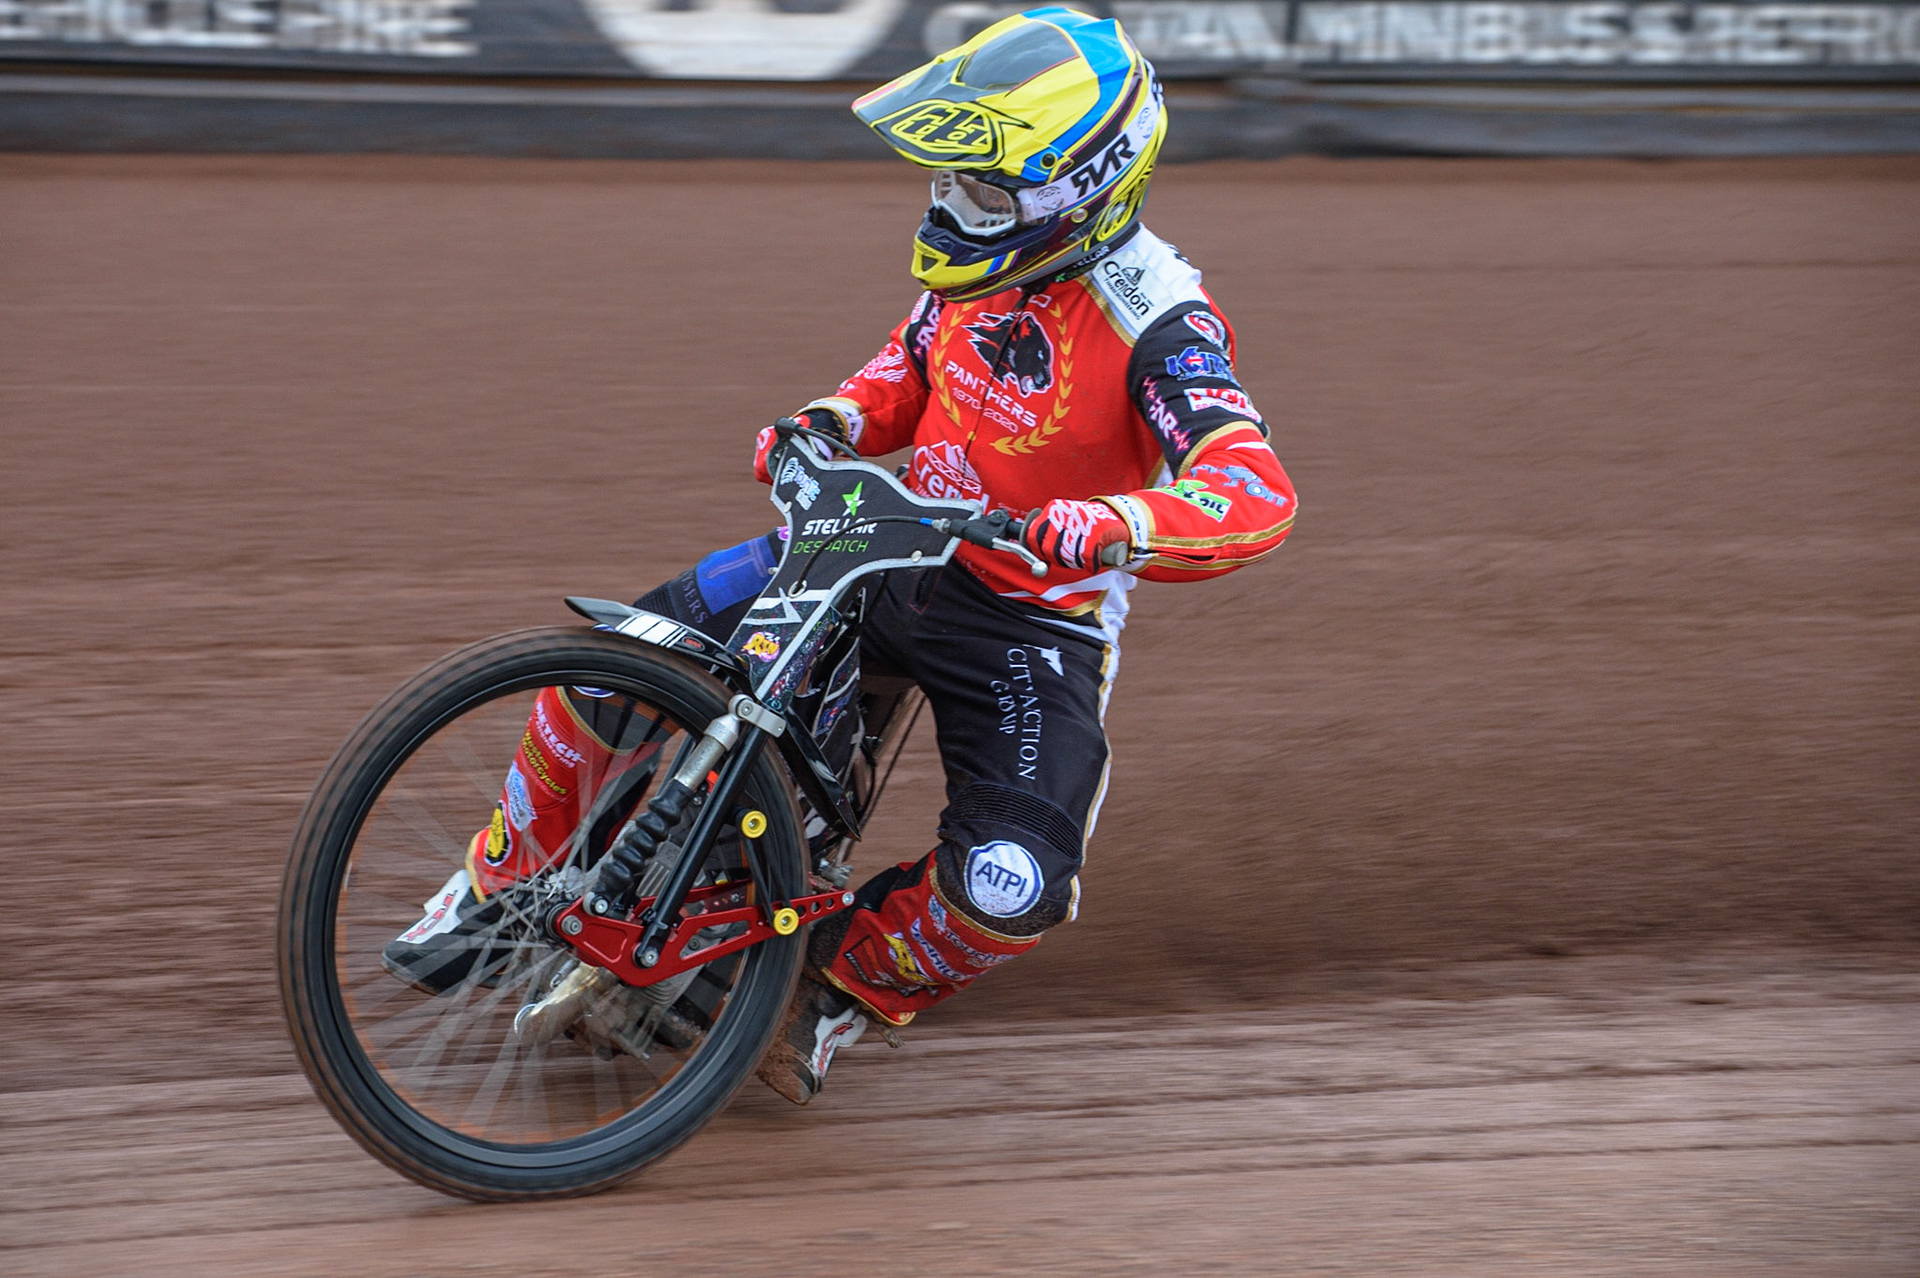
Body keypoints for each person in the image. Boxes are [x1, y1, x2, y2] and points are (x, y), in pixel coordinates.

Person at [383, 8, 1296, 1106]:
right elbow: (900, 374)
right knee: (607, 663)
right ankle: (501, 882)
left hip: (1028, 614)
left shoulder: (1162, 324)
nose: (951, 208)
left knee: (1014, 887)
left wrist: (1116, 523)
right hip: (879, 539)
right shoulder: (984, 266)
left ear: (1079, 191)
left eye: (982, 192)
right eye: (947, 184)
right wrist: (821, 424)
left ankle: (825, 993)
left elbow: (1252, 490)